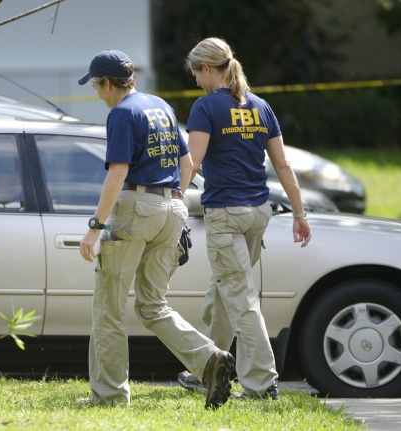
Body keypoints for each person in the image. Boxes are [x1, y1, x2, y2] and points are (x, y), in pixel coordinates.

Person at [77, 49, 234, 409]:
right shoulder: (160, 106)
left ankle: (110, 397)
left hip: (136, 208)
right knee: (152, 305)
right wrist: (175, 198)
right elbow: (188, 162)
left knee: (109, 308)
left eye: (96, 86)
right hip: (172, 208)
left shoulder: (120, 113)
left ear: (106, 82)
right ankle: (209, 358)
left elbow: (117, 173)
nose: (96, 93)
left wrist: (95, 227)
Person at [176, 37, 313, 400]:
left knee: (241, 298)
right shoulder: (260, 106)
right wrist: (299, 213)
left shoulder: (206, 107)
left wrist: (174, 198)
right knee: (221, 294)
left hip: (226, 215)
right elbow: (282, 164)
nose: (195, 80)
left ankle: (262, 382)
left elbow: (193, 162)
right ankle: (207, 365)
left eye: (195, 73)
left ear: (207, 68)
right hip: (258, 213)